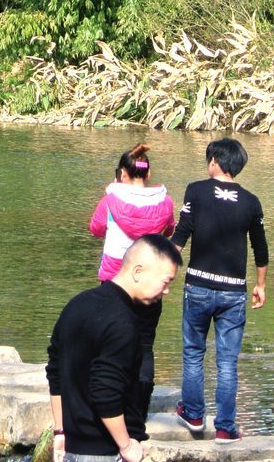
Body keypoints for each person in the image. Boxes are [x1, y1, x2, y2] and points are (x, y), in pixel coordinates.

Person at [47, 235, 183, 462]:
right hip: (104, 452)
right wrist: (127, 445)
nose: (166, 290)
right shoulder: (123, 323)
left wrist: (61, 431)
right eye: (166, 281)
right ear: (138, 272)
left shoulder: (77, 304)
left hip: (73, 448)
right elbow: (105, 392)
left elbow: (55, 371)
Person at [171, 137, 269, 444]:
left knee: (193, 352)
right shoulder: (251, 202)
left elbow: (180, 236)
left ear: (214, 160)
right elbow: (261, 248)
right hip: (233, 292)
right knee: (227, 361)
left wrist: (166, 274)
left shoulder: (196, 191)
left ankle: (194, 415)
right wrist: (261, 285)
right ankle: (226, 427)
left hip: (198, 285)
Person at [88, 143, 175, 436]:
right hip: (151, 283)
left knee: (108, 346)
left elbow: (96, 229)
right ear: (147, 173)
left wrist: (110, 193)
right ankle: (138, 415)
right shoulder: (165, 203)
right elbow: (169, 230)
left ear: (122, 173)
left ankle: (110, 409)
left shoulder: (110, 201)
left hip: (115, 281)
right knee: (144, 347)